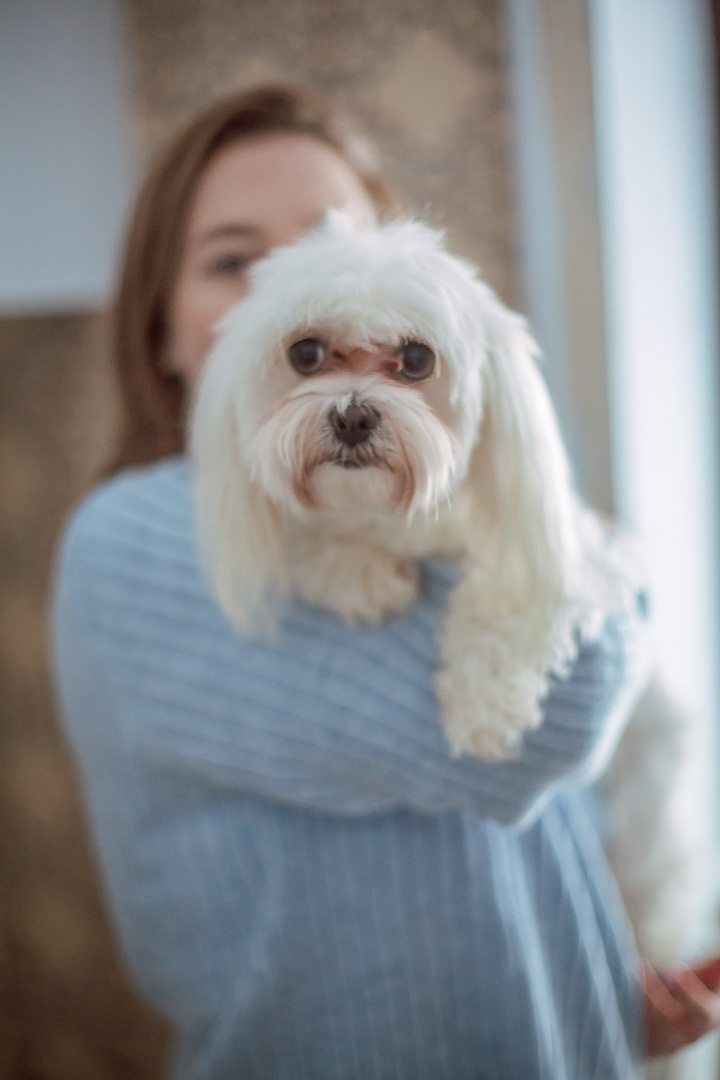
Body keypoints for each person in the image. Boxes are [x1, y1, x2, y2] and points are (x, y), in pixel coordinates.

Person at [51, 85, 720, 1079]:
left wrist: (596, 987)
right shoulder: (137, 541)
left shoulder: (467, 511)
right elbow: (548, 723)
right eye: (235, 263)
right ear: (161, 330)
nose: (297, 284)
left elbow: (520, 845)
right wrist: (605, 571)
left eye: (404, 355)